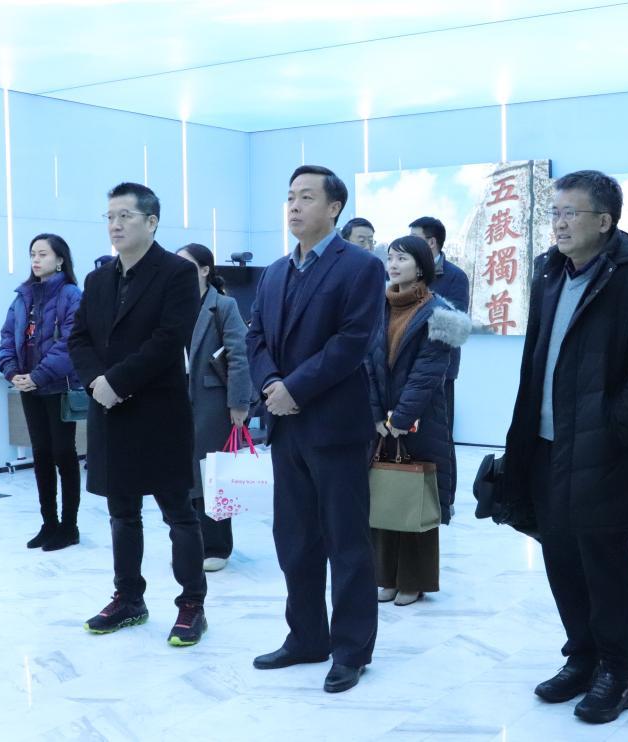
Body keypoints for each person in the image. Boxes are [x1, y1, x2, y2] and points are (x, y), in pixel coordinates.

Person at [500, 171, 628, 724]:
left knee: (605, 562)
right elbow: (537, 357)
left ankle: (618, 675)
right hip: (546, 445)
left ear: (603, 221)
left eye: (569, 213)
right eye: (553, 213)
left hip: (606, 449)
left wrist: (615, 426)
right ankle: (581, 657)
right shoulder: (548, 271)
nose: (557, 223)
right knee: (560, 558)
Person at [246, 165, 386, 693]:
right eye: (290, 197)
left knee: (346, 543)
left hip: (334, 426)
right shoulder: (275, 271)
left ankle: (351, 650)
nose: (295, 206)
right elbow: (255, 337)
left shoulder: (360, 267)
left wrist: (295, 389)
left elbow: (352, 342)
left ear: (334, 208)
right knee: (295, 539)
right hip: (285, 426)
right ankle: (306, 637)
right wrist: (271, 384)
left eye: (307, 197)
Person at [69, 182, 208, 647]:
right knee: (122, 514)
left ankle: (192, 604)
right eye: (110, 216)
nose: (115, 224)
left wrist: (117, 382)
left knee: (179, 514)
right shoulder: (98, 279)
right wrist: (97, 382)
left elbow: (169, 339)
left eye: (125, 216)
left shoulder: (176, 273)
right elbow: (78, 338)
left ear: (151, 222)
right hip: (110, 411)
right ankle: (129, 598)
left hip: (158, 412)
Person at [366, 235, 470, 607]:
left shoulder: (440, 313)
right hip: (381, 420)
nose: (393, 265)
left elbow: (428, 374)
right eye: (391, 258)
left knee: (415, 494)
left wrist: (401, 417)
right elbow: (366, 363)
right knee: (384, 491)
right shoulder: (375, 306)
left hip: (421, 419)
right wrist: (376, 415)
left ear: (421, 267)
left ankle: (414, 580)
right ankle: (386, 577)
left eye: (403, 259)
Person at [0, 234, 83, 551]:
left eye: (43, 254)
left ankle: (69, 526)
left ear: (60, 260)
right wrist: (12, 372)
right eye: (33, 253)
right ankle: (49, 524)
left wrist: (39, 376)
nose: (36, 259)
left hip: (57, 386)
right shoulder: (23, 296)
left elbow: (71, 343)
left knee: (63, 453)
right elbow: (7, 338)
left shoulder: (72, 295)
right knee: (41, 454)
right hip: (28, 387)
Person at [177, 243, 252, 573]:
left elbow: (239, 356)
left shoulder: (223, 305)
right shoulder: (170, 304)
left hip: (212, 402)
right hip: (175, 400)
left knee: (213, 474)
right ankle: (188, 543)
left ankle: (217, 546)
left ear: (205, 270)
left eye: (186, 265)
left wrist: (239, 403)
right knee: (181, 475)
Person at [409, 217, 470, 436]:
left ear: (431, 242)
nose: (408, 243)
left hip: (440, 367)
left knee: (439, 435)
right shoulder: (407, 271)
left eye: (414, 238)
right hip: (408, 366)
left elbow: (455, 325)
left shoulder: (455, 276)